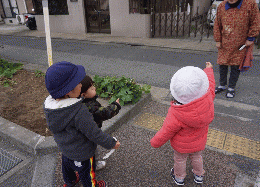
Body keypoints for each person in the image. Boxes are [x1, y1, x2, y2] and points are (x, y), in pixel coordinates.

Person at [43, 61, 120, 187]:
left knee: (67, 166)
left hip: (65, 148)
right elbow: (94, 133)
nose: (80, 84)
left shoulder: (50, 108)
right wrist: (111, 143)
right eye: (78, 83)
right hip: (83, 152)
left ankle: (70, 182)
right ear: (68, 91)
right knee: (87, 173)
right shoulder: (78, 111)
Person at [150, 62, 215, 186]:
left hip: (181, 146)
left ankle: (179, 178)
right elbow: (211, 84)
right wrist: (208, 70)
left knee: (180, 160)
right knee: (197, 157)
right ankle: (199, 175)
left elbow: (166, 131)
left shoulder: (176, 112)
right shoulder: (208, 97)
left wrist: (155, 142)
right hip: (199, 141)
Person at [213, 0, 260, 98]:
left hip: (240, 44)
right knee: (222, 64)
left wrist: (251, 37)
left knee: (235, 66)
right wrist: (217, 40)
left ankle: (231, 87)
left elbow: (255, 21)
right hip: (224, 43)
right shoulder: (222, 6)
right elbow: (217, 24)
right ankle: (222, 85)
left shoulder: (250, 4)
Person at [80, 75, 121, 170]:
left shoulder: (78, 102)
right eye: (91, 88)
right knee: (91, 149)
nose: (94, 88)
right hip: (90, 134)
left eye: (93, 85)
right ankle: (93, 165)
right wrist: (115, 106)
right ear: (83, 94)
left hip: (80, 135)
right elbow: (103, 113)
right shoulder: (90, 106)